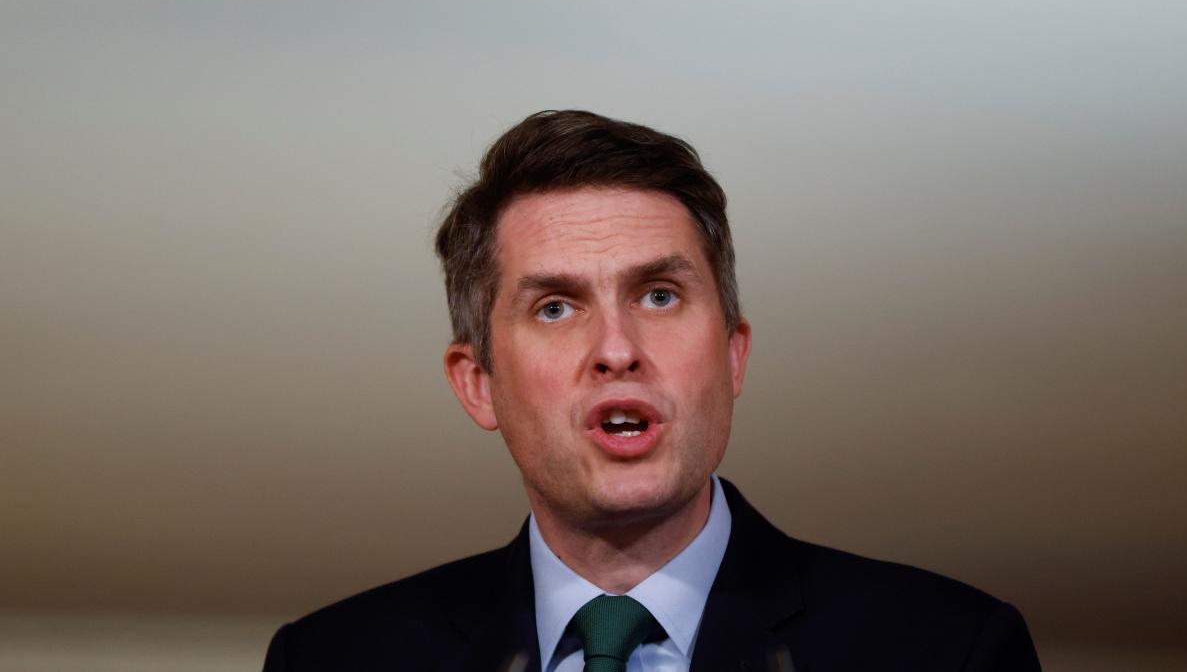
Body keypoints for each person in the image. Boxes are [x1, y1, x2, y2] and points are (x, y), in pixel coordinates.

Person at [262, 110, 1041, 671]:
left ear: (733, 356)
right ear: (478, 385)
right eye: (556, 307)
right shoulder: (334, 658)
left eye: (660, 295)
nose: (616, 350)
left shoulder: (946, 649)